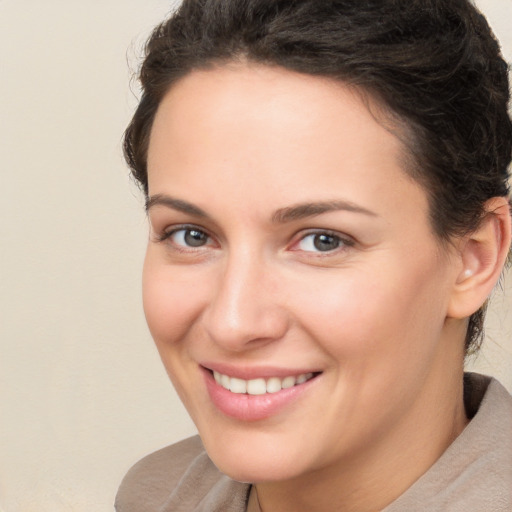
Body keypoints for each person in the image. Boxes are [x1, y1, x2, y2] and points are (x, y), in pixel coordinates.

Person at [115, 0, 512, 510]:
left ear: (474, 258)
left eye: (323, 240)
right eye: (191, 235)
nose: (233, 323)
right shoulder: (159, 493)